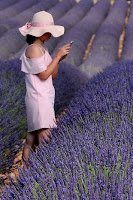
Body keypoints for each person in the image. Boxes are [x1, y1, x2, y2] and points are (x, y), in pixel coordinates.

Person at [19, 11, 71, 165]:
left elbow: (51, 75)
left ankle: (27, 174)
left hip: (43, 97)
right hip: (38, 98)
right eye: (48, 31)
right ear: (40, 33)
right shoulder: (34, 49)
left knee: (32, 138)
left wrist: (59, 59)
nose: (50, 35)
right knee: (44, 138)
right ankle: (38, 172)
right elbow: (43, 75)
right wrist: (57, 56)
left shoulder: (42, 50)